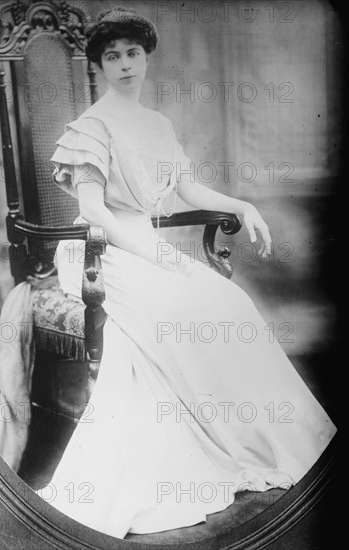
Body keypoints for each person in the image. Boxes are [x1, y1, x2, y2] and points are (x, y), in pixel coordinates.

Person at [36, 6, 336, 539]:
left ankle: (247, 437)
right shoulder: (91, 126)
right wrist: (162, 258)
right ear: (100, 66)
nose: (125, 64)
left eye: (133, 53)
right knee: (184, 305)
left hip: (145, 246)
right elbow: (98, 213)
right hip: (97, 251)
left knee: (230, 304)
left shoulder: (158, 124)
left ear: (146, 57)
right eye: (112, 56)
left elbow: (188, 191)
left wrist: (243, 206)